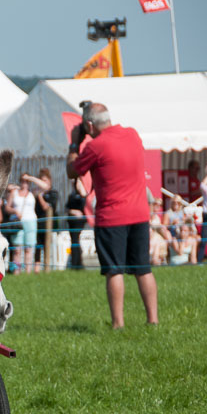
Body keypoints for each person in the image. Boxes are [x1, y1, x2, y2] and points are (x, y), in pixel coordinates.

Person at [67, 102, 158, 329]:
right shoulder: (132, 135)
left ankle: (118, 323)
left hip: (111, 217)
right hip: (139, 214)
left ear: (89, 124)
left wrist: (74, 143)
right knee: (143, 269)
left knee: (114, 270)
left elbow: (72, 170)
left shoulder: (96, 146)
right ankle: (153, 320)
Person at [28, 168, 57, 272]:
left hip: (47, 225)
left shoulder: (53, 193)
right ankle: (36, 269)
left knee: (46, 246)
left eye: (45, 180)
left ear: (49, 181)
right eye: (42, 180)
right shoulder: (35, 193)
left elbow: (46, 207)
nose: (43, 183)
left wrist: (40, 197)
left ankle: (47, 267)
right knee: (37, 246)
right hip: (37, 223)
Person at [11, 174, 37, 274]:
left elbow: (46, 186)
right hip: (18, 222)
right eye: (22, 180)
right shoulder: (14, 192)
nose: (24, 183)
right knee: (17, 249)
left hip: (30, 221)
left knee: (28, 249)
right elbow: (7, 208)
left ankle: (27, 272)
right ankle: (16, 271)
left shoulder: (32, 193)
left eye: (26, 181)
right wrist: (15, 211)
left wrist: (31, 177)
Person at [65, 177, 88, 269]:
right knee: (74, 241)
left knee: (75, 241)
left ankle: (76, 264)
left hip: (79, 222)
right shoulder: (72, 195)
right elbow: (67, 208)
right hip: (71, 221)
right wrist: (72, 211)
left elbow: (85, 205)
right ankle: (77, 263)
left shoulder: (83, 194)